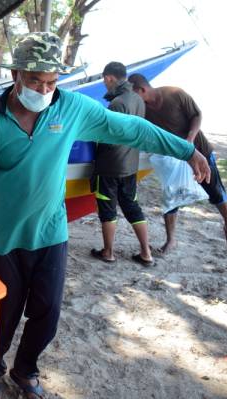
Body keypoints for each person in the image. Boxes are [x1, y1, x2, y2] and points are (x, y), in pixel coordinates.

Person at [0, 32, 210, 399]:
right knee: (3, 314)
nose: (44, 89)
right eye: (35, 80)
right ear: (16, 74)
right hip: (2, 238)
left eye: (51, 82)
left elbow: (130, 128)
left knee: (47, 313)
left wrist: (185, 149)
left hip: (50, 232)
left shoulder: (72, 108)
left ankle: (25, 370)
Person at [128, 73, 227, 252]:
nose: (132, 99)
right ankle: (171, 240)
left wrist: (189, 140)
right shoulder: (143, 110)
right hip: (174, 158)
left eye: (133, 94)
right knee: (171, 195)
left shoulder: (175, 93)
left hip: (200, 150)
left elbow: (196, 115)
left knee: (215, 189)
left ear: (142, 89)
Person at [90, 62, 153, 266]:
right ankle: (146, 253)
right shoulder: (138, 100)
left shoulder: (117, 103)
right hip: (130, 165)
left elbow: (108, 137)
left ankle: (108, 252)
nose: (104, 85)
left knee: (108, 209)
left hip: (110, 166)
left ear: (109, 78)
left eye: (104, 81)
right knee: (132, 207)